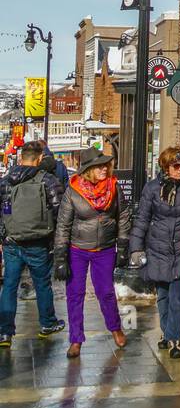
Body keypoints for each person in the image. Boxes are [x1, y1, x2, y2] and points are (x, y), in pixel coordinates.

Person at [53, 147, 130, 358]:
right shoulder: (73, 190)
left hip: (104, 248)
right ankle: (76, 339)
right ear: (89, 170)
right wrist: (60, 256)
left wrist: (123, 245)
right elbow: (63, 225)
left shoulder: (114, 188)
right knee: (75, 294)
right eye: (100, 166)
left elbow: (123, 215)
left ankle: (115, 328)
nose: (105, 169)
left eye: (106, 165)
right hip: (77, 249)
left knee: (105, 291)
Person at [129, 146, 180, 358]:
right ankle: (167, 332)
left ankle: (174, 338)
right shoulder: (152, 188)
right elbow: (142, 218)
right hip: (158, 247)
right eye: (176, 166)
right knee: (163, 295)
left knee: (178, 296)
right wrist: (136, 248)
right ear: (166, 167)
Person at [0, 141, 65, 347]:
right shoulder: (48, 180)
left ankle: (5, 332)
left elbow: (3, 212)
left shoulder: (6, 181)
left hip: (12, 241)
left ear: (20, 158)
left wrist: (3, 236)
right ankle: (47, 323)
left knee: (9, 286)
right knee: (42, 284)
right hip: (39, 241)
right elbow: (59, 211)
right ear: (38, 159)